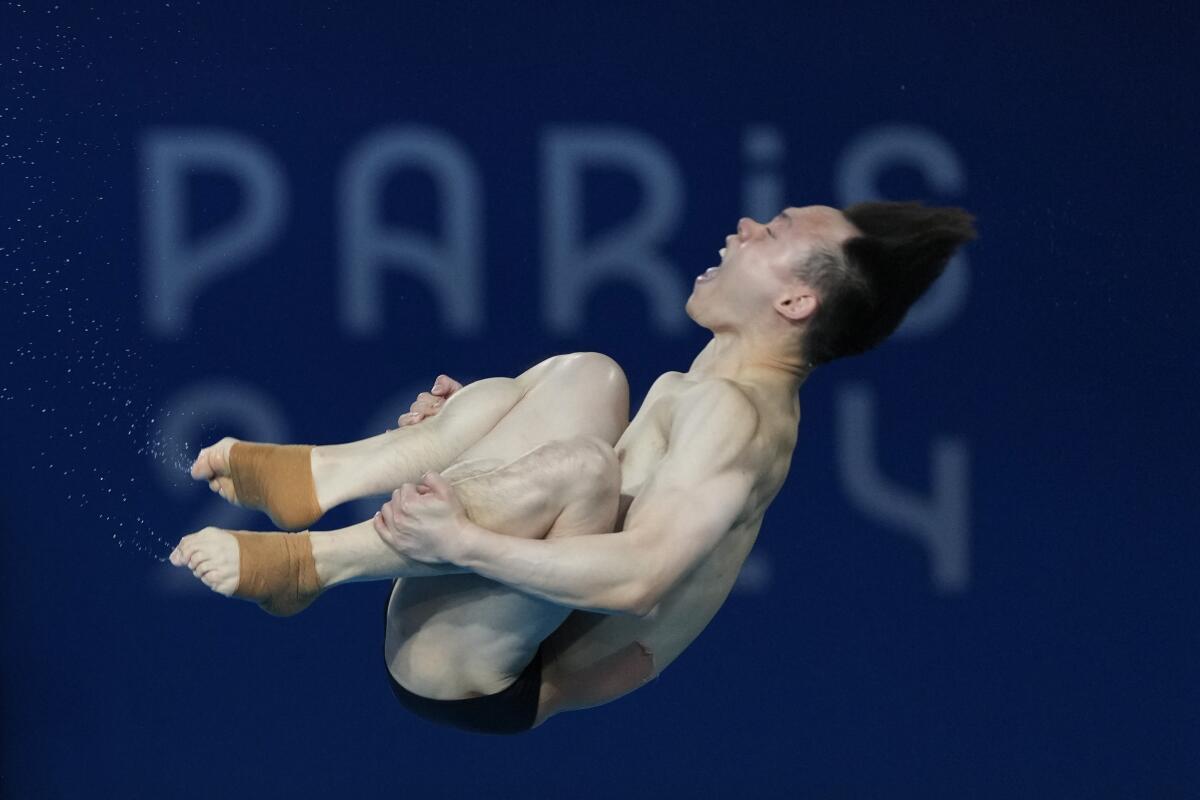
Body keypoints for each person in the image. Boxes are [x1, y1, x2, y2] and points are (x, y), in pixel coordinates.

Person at [170, 201, 977, 733]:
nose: (744, 225)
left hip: (490, 671)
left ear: (796, 303)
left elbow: (640, 579)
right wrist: (473, 433)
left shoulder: (738, 419)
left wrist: (463, 540)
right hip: (508, 620)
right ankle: (324, 474)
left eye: (772, 233)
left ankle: (310, 564)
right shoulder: (702, 386)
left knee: (583, 470)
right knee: (584, 376)